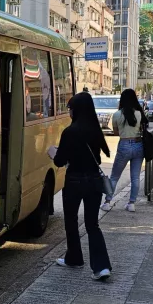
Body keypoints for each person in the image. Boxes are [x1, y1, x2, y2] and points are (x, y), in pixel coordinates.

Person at [47, 92, 112, 281]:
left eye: (70, 109)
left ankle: (74, 258)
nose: (69, 112)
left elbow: (60, 161)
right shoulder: (95, 129)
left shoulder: (70, 131)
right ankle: (101, 267)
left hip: (74, 181)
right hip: (93, 181)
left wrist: (54, 154)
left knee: (71, 220)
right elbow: (98, 159)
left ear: (76, 110)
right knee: (92, 224)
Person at [101, 88, 146, 212]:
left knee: (115, 176)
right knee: (135, 177)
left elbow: (116, 132)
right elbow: (142, 129)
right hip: (138, 145)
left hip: (124, 145)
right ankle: (131, 203)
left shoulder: (117, 114)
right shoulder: (139, 113)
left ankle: (107, 202)